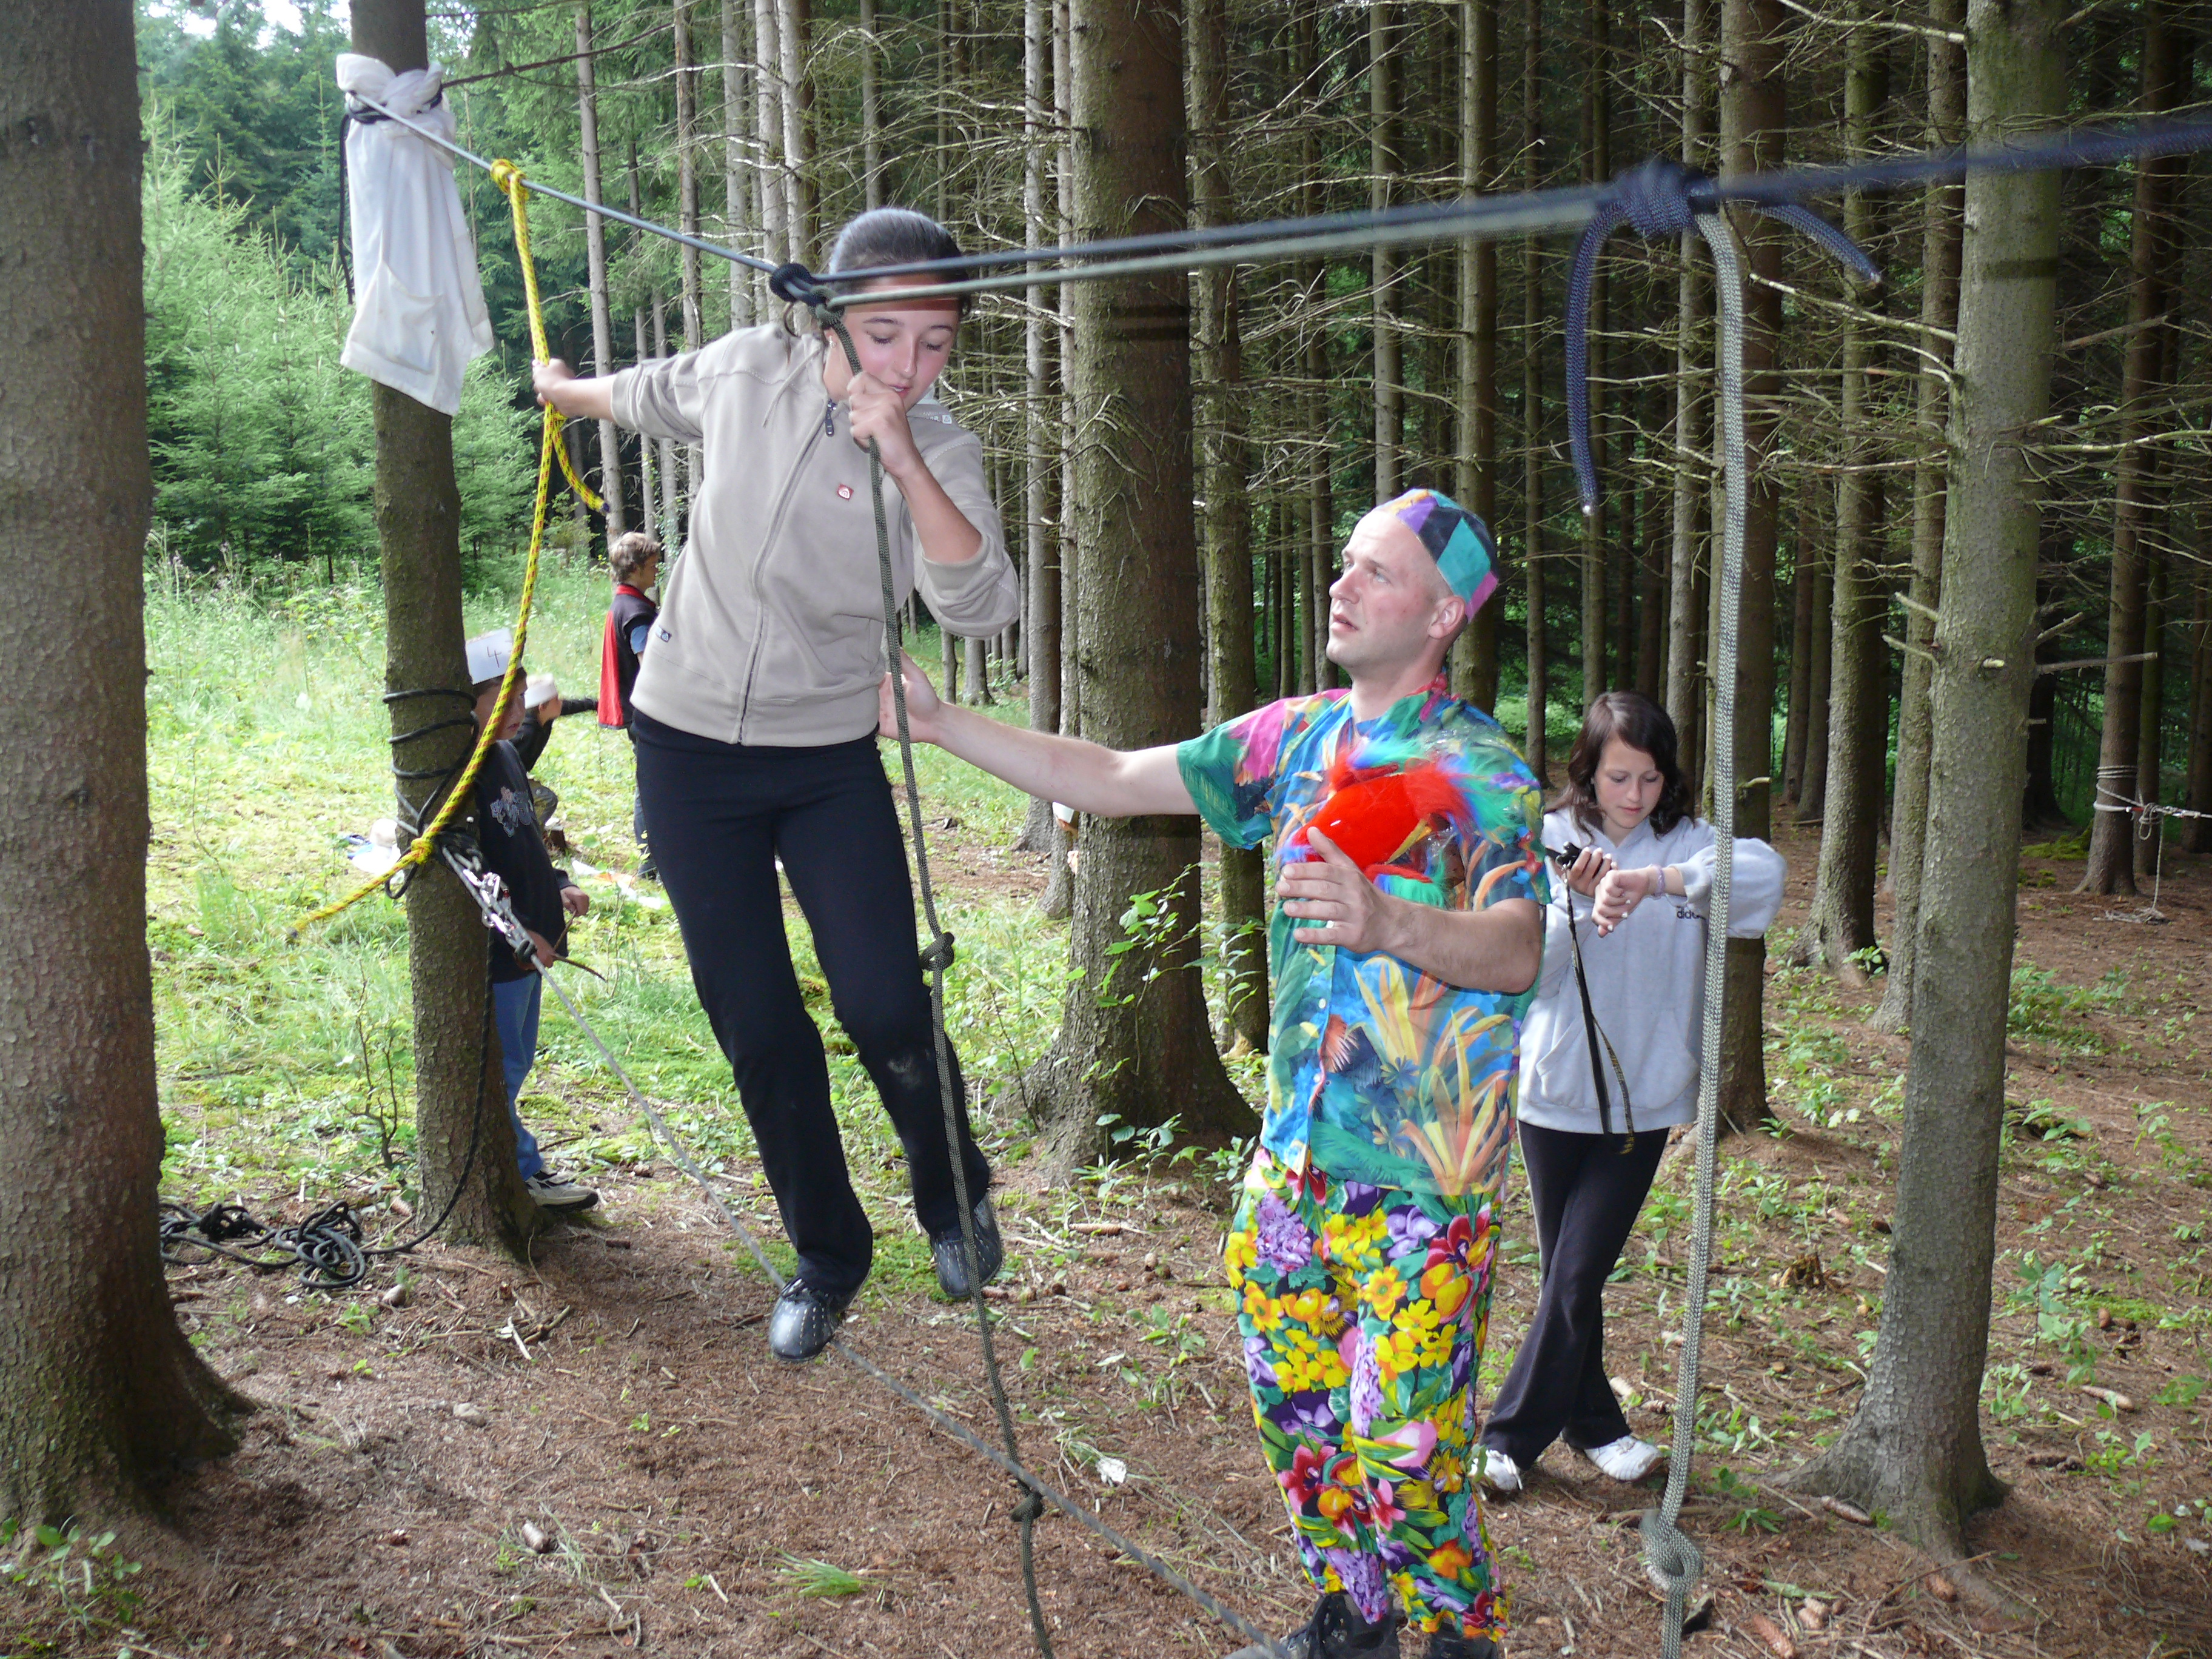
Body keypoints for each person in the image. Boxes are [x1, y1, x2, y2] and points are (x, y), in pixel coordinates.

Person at [884, 489, 1544, 1659]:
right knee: (1300, 1419)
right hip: (1291, 1169)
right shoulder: (1291, 739)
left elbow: (1518, 946)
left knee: (1404, 1445)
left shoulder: (1477, 769)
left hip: (1423, 1184)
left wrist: (1389, 921)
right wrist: (941, 725)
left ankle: (1456, 1639)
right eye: (1342, 561)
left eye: (1375, 572)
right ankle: (1352, 1622)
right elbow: (1109, 772)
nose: (1340, 585)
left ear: (1443, 613)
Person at [531, 207, 1019, 1361]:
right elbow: (646, 393)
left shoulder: (939, 448)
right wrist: (563, 392)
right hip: (686, 752)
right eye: (885, 335)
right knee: (756, 1022)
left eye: (936, 342)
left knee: (885, 1004)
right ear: (828, 318)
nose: (909, 365)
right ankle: (828, 1257)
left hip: (827, 757)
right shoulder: (749, 369)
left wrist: (901, 454)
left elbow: (980, 604)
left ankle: (953, 1195)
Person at [1478, 691, 1785, 1493]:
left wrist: (1655, 881)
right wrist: (1576, 907)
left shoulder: (1689, 841)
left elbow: (1763, 878)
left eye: (1650, 778)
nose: (1634, 795)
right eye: (1618, 777)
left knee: (1577, 1272)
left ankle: (1507, 1440)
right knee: (1570, 1276)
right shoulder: (1549, 839)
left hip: (1644, 1100)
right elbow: (1524, 970)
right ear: (1587, 769)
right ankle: (1596, 1427)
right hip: (1553, 1095)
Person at [464, 628, 600, 1215]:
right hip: (505, 953)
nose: (518, 712)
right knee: (502, 1069)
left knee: (516, 1062)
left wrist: (560, 882)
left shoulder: (504, 757)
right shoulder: (463, 771)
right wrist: (520, 931)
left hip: (530, 953)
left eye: (522, 699)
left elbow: (524, 838)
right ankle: (521, 1171)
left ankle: (512, 1164)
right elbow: (471, 869)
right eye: (504, 700)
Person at [596, 530, 662, 877]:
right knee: (651, 785)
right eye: (651, 566)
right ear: (634, 569)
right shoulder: (635, 612)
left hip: (638, 710)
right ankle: (650, 863)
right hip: (646, 712)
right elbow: (649, 664)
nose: (656, 571)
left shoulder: (624, 603)